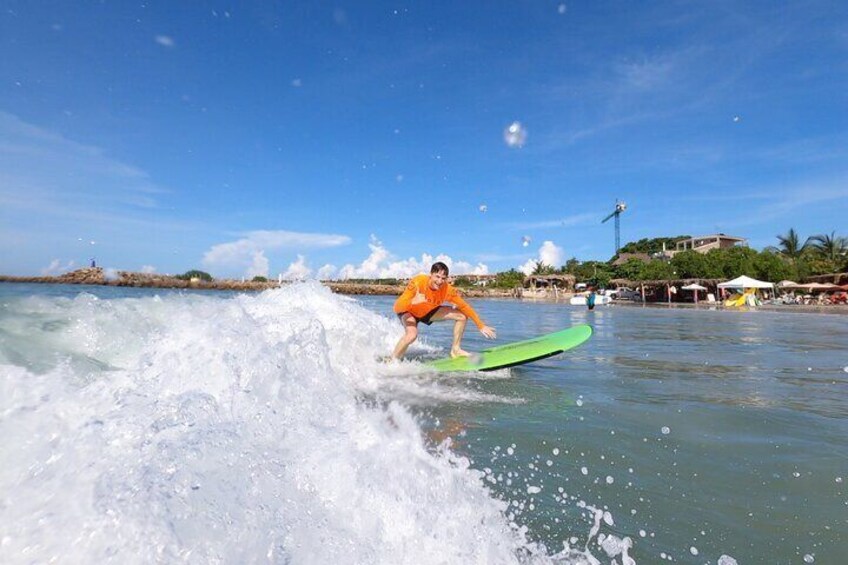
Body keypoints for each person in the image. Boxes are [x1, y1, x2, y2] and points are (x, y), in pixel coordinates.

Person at [392, 262, 496, 359]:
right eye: (437, 276)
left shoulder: (447, 290)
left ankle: (456, 350)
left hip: (427, 312)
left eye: (443, 278)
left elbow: (465, 306)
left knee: (462, 316)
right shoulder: (418, 282)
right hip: (408, 311)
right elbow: (397, 307)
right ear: (431, 274)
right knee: (411, 336)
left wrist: (480, 325)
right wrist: (413, 302)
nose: (440, 281)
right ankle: (392, 360)